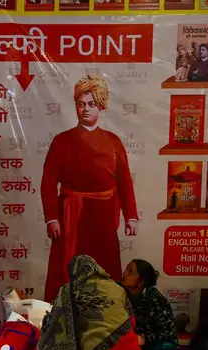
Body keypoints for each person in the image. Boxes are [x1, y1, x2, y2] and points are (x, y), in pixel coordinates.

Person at [41, 75, 138, 303]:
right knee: (66, 270)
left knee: (105, 267)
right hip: (70, 215)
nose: (85, 109)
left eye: (91, 104)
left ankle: (107, 313)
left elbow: (124, 182)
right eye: (81, 103)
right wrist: (52, 218)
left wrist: (131, 217)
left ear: (101, 106)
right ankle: (62, 316)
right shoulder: (61, 141)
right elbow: (48, 182)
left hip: (103, 217)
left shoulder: (113, 141)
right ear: (75, 105)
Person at [120, 260, 178, 350]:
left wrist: (144, 338)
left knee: (166, 348)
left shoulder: (155, 299)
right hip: (126, 339)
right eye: (126, 270)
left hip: (150, 343)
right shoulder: (117, 293)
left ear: (142, 281)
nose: (124, 274)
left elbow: (166, 332)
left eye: (130, 272)